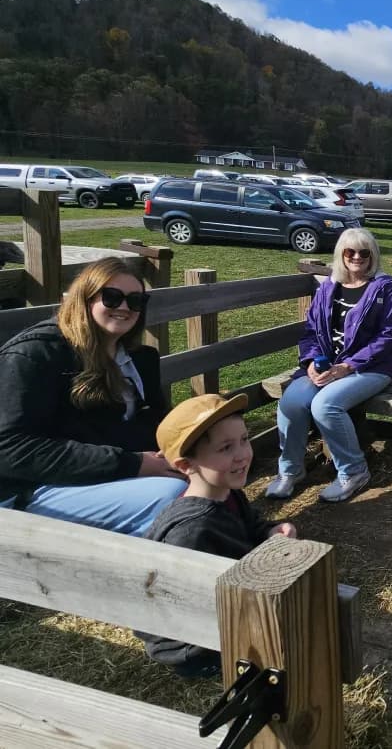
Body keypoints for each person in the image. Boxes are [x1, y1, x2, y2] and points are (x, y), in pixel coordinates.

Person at [0, 257, 184, 535]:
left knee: (204, 478)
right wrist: (132, 464)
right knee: (173, 494)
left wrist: (189, 451)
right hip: (31, 489)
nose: (124, 307)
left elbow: (151, 425)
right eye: (111, 297)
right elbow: (10, 448)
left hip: (102, 475)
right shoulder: (36, 355)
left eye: (135, 301)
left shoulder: (139, 359)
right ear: (84, 300)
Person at [142, 393, 298, 677]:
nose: (243, 454)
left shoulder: (229, 493)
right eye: (226, 448)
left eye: (244, 439)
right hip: (195, 646)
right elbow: (185, 604)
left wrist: (270, 532)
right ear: (186, 466)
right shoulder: (192, 531)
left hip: (229, 605)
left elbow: (251, 526)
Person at [266, 228, 392, 503]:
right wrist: (312, 363)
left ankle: (354, 472)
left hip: (370, 368)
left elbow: (386, 337)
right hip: (328, 367)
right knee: (291, 401)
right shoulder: (328, 287)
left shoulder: (383, 287)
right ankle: (290, 471)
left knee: (325, 405)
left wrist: (348, 366)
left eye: (365, 252)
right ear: (340, 254)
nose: (357, 257)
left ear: (373, 256)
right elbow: (312, 331)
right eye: (350, 251)